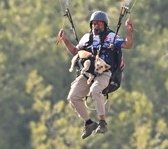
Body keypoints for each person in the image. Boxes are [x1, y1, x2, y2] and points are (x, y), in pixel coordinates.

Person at [57, 9, 134, 139]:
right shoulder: (87, 38)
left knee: (95, 90)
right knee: (73, 96)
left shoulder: (111, 37)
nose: (96, 26)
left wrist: (129, 32)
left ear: (104, 24)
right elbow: (76, 51)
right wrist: (64, 39)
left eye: (99, 23)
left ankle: (102, 122)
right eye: (93, 23)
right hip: (88, 73)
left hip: (105, 73)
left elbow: (128, 44)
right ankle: (89, 123)